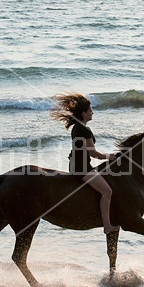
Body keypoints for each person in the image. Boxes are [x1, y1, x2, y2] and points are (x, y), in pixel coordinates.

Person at [50, 93, 119, 234]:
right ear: (84, 113)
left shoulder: (76, 127)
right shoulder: (84, 130)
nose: (93, 112)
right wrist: (109, 157)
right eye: (90, 110)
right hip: (82, 168)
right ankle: (107, 226)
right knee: (107, 191)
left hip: (75, 165)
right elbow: (94, 153)